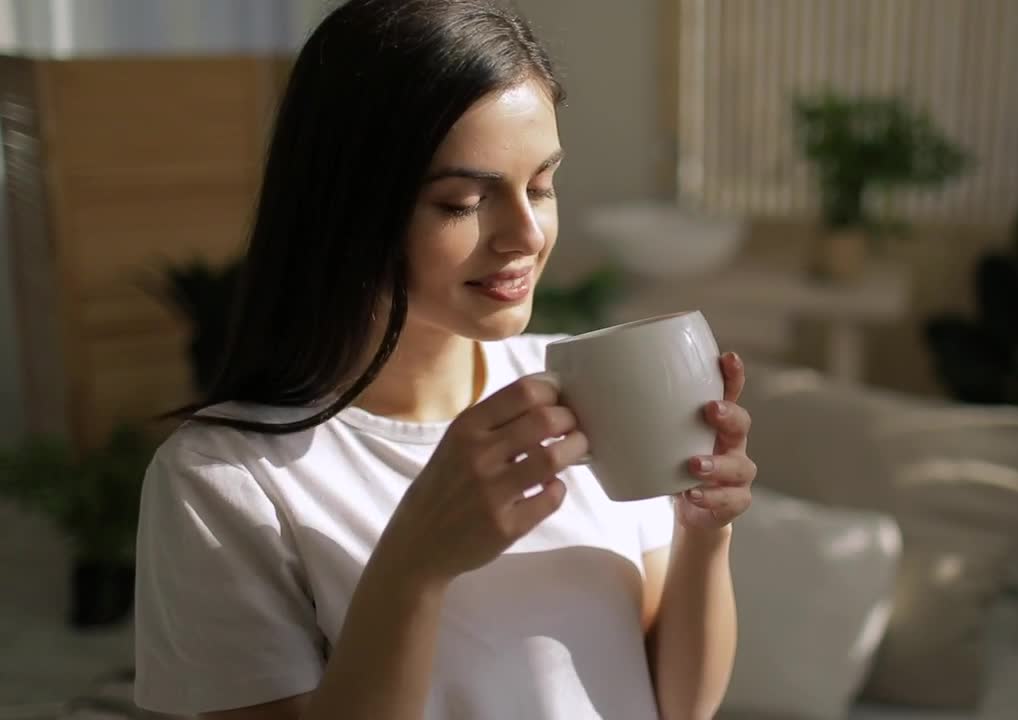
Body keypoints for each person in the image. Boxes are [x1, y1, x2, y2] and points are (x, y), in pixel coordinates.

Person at [131, 1, 756, 719]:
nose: (524, 234)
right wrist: (415, 568)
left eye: (542, 185)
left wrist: (705, 534)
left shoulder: (587, 395)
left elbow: (681, 706)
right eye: (462, 202)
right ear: (347, 206)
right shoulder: (228, 482)